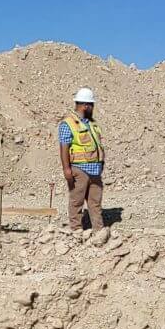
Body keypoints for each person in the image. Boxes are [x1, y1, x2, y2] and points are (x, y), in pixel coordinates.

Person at [59, 87, 105, 232]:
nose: (92, 108)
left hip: (95, 171)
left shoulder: (92, 124)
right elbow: (64, 148)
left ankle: (98, 232)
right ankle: (76, 232)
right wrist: (67, 169)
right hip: (79, 170)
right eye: (91, 105)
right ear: (86, 105)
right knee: (76, 202)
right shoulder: (68, 124)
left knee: (95, 203)